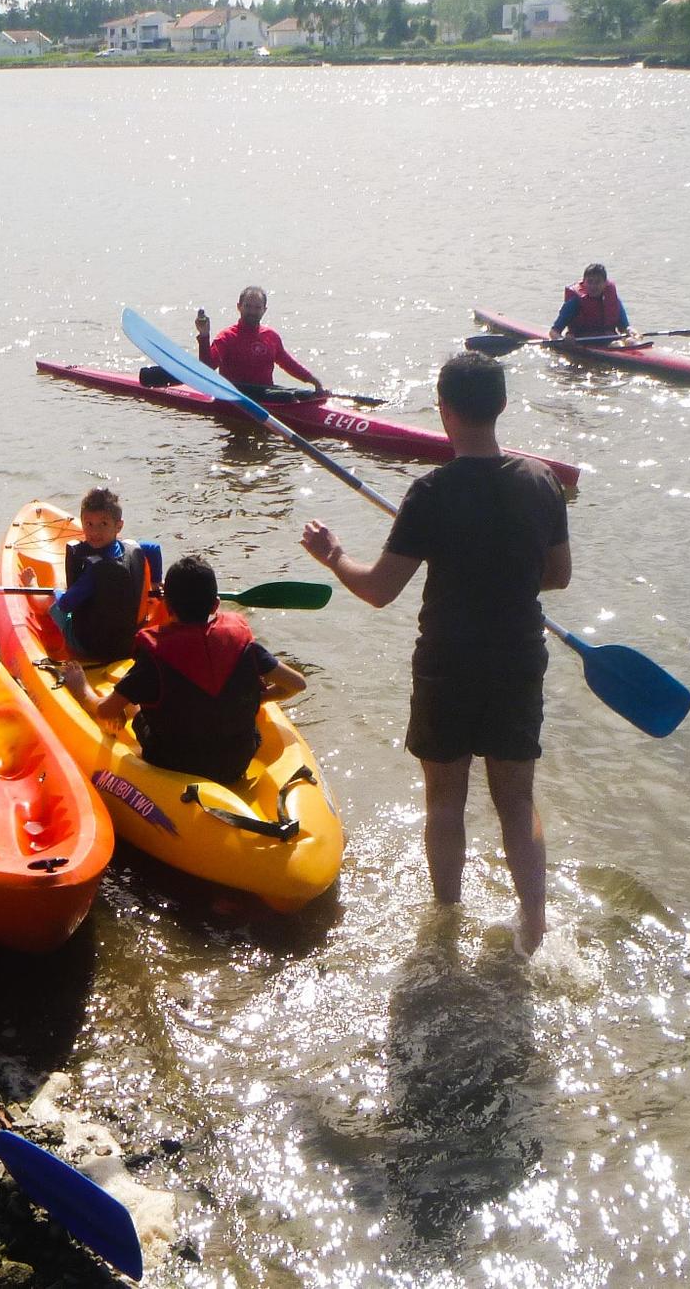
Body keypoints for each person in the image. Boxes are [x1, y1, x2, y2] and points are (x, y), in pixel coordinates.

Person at [299, 351, 570, 952]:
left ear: (444, 409)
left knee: (445, 800)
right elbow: (558, 576)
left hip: (448, 664)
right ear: (501, 405)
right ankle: (535, 928)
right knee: (517, 799)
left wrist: (333, 556)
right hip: (518, 659)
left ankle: (446, 927)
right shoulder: (540, 481)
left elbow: (377, 590)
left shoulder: (430, 493)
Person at [58, 555, 306, 785]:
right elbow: (296, 684)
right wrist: (262, 696)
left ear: (167, 606)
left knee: (135, 706)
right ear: (215, 605)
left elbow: (105, 710)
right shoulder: (245, 646)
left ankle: (133, 707)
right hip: (236, 762)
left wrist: (82, 689)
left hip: (173, 763)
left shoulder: (154, 657)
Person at [51, 487, 163, 664]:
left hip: (89, 646)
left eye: (103, 524)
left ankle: (35, 588)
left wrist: (57, 591)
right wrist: (156, 581)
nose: (95, 532)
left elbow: (65, 605)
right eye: (89, 524)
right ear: (82, 522)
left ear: (119, 525)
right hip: (129, 642)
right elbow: (155, 550)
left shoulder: (94, 571)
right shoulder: (133, 548)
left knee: (54, 605)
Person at [194, 286, 322, 393]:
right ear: (239, 307)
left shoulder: (271, 336)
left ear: (264, 310)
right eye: (248, 306)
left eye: (257, 308)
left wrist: (313, 380)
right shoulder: (226, 337)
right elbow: (207, 369)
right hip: (236, 394)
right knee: (287, 396)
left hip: (266, 393)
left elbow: (288, 364)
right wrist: (204, 336)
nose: (252, 312)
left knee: (302, 394)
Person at [549, 262, 632, 343]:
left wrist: (631, 331)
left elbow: (625, 328)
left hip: (609, 340)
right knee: (616, 345)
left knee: (631, 341)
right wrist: (564, 340)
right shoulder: (574, 303)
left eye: (598, 282)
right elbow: (553, 332)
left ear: (605, 284)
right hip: (583, 341)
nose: (593, 286)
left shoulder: (613, 301)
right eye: (590, 282)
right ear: (584, 283)